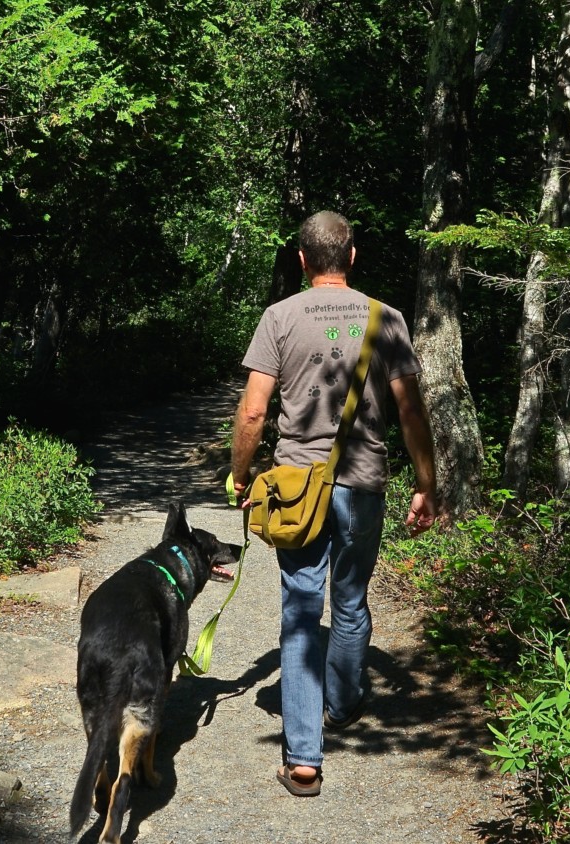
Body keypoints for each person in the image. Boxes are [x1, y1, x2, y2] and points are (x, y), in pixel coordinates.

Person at [229, 210, 438, 796]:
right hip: (363, 485)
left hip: (297, 489)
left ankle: (302, 758)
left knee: (300, 609)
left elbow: (253, 410)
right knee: (349, 601)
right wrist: (427, 483)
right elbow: (411, 410)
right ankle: (342, 705)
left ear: (302, 259)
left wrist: (241, 476)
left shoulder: (279, 317)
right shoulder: (385, 318)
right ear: (351, 256)